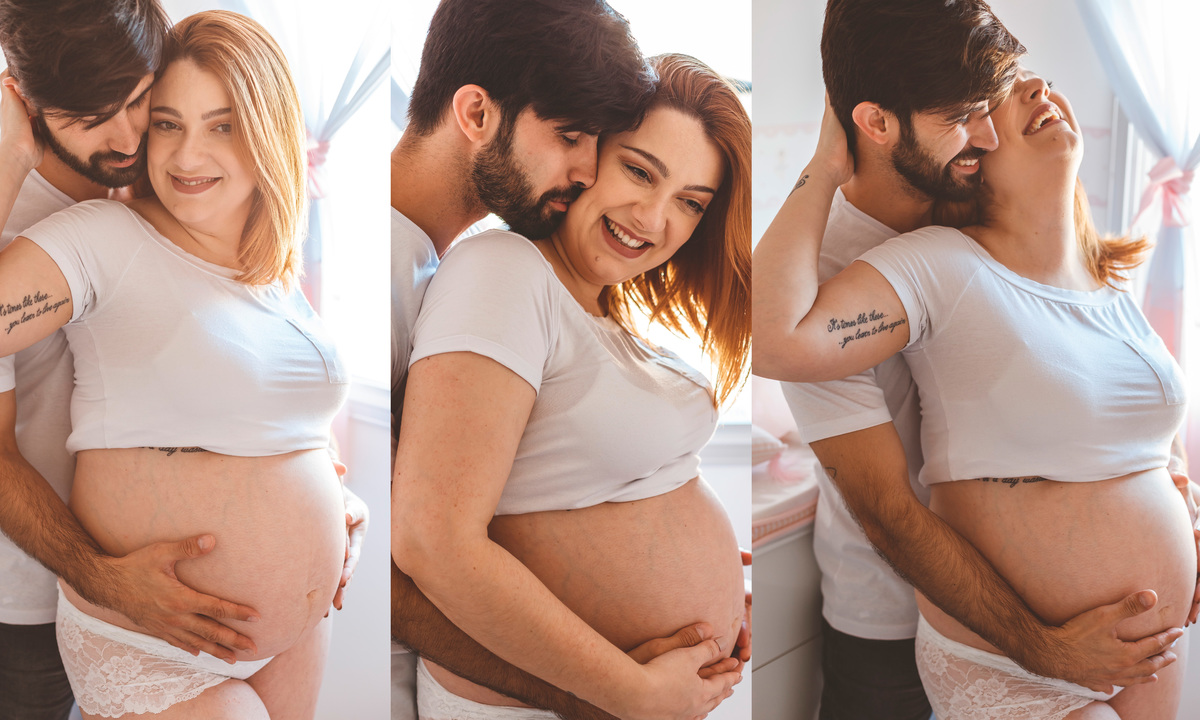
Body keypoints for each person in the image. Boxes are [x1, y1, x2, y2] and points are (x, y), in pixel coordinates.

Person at [753, 1, 1189, 717]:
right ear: (874, 122)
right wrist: (1041, 646)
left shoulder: (981, 215)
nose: (984, 134)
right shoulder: (852, 265)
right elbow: (887, 509)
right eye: (962, 114)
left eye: (988, 104)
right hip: (896, 609)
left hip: (1099, 637)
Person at [0, 10, 363, 718]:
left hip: (284, 638)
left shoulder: (257, 265)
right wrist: (7, 158)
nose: (161, 147)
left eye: (219, 124)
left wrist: (332, 497)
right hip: (87, 606)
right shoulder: (93, 234)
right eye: (171, 122)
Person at [394, 2, 744, 718]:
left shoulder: (593, 307)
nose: (654, 219)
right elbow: (430, 538)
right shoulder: (499, 269)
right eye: (636, 170)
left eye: (692, 202)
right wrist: (630, 688)